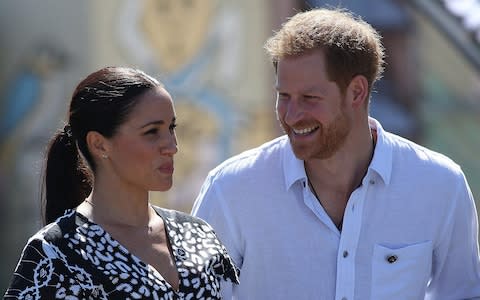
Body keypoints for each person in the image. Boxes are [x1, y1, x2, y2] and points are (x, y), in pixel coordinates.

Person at [192, 8, 480, 299]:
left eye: (309, 98)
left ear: (356, 92)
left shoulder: (441, 185)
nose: (291, 116)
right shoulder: (231, 191)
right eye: (284, 96)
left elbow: (462, 293)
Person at [4, 66, 239, 299]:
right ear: (99, 144)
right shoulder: (54, 254)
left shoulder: (199, 235)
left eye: (171, 128)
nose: (172, 146)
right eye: (152, 132)